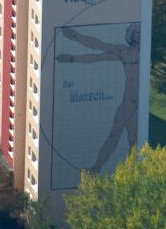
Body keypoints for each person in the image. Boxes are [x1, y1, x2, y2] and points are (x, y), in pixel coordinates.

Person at [58, 24, 141, 174]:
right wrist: (73, 56)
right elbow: (99, 51)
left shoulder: (145, 51)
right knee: (117, 134)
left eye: (140, 33)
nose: (138, 36)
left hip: (139, 102)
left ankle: (132, 173)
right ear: (131, 35)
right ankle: (97, 168)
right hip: (129, 100)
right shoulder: (124, 52)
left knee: (133, 139)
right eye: (136, 33)